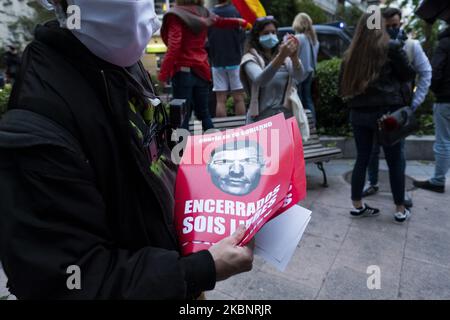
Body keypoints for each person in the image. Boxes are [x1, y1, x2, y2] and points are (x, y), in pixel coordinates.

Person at [0, 0, 253, 300]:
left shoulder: (116, 61)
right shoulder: (38, 124)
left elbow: (155, 152)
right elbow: (71, 280)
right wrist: (199, 270)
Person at [339, 13, 416, 223]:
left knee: (362, 158)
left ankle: (357, 206)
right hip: (387, 114)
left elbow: (342, 88)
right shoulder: (390, 47)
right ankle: (400, 209)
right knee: (395, 160)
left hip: (359, 114)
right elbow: (408, 74)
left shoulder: (350, 54)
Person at [362, 7, 432, 204]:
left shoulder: (410, 46)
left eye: (396, 25)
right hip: (374, 109)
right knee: (372, 151)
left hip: (398, 111)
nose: (393, 29)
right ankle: (372, 182)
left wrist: (415, 103)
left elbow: (426, 72)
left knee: (397, 155)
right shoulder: (373, 47)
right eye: (389, 26)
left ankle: (400, 195)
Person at [159, 0, 250, 131]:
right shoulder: (204, 12)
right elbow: (221, 22)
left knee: (182, 116)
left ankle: (182, 151)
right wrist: (240, 22)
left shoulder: (175, 15)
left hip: (182, 71)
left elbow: (174, 46)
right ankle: (215, 146)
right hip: (202, 69)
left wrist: (163, 74)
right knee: (203, 114)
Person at [240, 16, 303, 124]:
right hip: (260, 121)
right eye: (266, 33)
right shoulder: (249, 58)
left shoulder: (284, 57)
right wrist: (281, 57)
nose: (271, 36)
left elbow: (300, 77)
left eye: (273, 32)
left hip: (284, 120)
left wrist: (294, 57)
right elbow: (261, 80)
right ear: (256, 36)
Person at [413, 23, 450, 193]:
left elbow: (435, 71)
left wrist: (437, 90)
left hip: (446, 99)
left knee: (443, 141)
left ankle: (438, 180)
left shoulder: (445, 42)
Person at [208, 0, 246, 118]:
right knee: (238, 98)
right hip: (235, 60)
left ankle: (223, 130)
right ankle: (241, 129)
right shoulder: (236, 12)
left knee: (220, 100)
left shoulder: (210, 14)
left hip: (217, 61)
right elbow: (242, 36)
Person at [292, 13, 319, 122]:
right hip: (310, 73)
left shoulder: (299, 38)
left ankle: (302, 126)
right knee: (308, 100)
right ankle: (312, 124)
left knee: (299, 101)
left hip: (299, 73)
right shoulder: (314, 40)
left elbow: (293, 56)